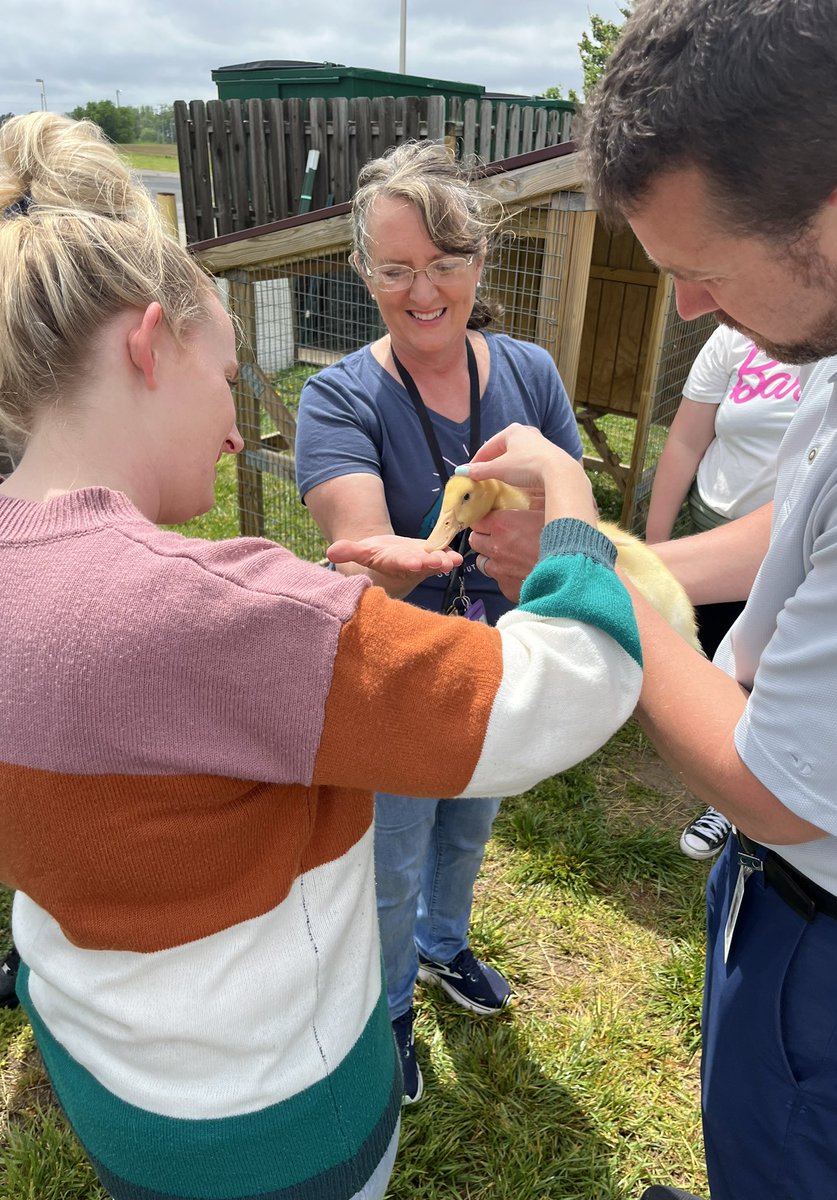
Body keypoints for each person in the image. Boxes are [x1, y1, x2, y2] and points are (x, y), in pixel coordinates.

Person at [0, 113, 645, 1200]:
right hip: (282, 1126)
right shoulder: (236, 616)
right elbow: (571, 690)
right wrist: (574, 506)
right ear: (150, 345)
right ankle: (400, 1002)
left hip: (115, 1091)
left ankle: (441, 946)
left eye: (446, 262)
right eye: (226, 383)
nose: (233, 429)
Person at [576, 2, 837, 1197]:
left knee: (791, 1162)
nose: (692, 310)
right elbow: (807, 525)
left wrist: (588, 582)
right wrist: (628, 554)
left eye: (700, 271)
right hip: (823, 893)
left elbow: (770, 785)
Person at [295, 139, 585, 1105]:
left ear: (479, 262)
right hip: (401, 669)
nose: (424, 291)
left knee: (467, 829)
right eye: (396, 269)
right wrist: (387, 557)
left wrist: (551, 543)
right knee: (391, 854)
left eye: (446, 263)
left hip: (499, 663)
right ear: (363, 272)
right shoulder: (339, 396)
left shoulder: (531, 372)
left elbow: (567, 502)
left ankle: (442, 945)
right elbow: (358, 529)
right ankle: (384, 1015)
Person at [645, 326, 807, 860]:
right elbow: (688, 438)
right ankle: (719, 765)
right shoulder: (730, 340)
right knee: (712, 660)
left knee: (767, 673)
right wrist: (653, 548)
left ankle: (733, 801)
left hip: (795, 549)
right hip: (714, 527)